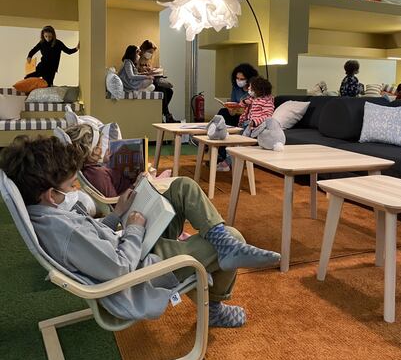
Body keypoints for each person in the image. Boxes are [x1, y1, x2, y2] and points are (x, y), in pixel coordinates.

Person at [0, 136, 280, 327]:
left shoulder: (47, 214)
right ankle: (215, 309)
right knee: (233, 236)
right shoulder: (63, 231)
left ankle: (224, 245)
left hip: (131, 246)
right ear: (51, 194)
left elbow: (92, 237)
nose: (76, 189)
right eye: (73, 185)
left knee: (181, 186)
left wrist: (118, 215)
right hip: (144, 270)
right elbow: (119, 268)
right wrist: (134, 228)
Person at [216, 63, 258, 170]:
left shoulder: (255, 90)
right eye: (237, 78)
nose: (239, 81)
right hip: (237, 115)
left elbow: (256, 107)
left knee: (227, 118)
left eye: (242, 79)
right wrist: (231, 109)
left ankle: (224, 155)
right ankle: (218, 146)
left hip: (248, 117)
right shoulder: (236, 88)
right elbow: (234, 103)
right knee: (223, 112)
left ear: (248, 79)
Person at [138, 39, 177, 122]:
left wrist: (153, 70)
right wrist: (145, 72)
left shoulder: (148, 61)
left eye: (152, 52)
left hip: (151, 80)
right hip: (143, 83)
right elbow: (135, 73)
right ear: (143, 50)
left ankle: (163, 113)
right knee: (161, 89)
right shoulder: (137, 60)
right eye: (149, 52)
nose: (151, 54)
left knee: (169, 91)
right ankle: (167, 115)